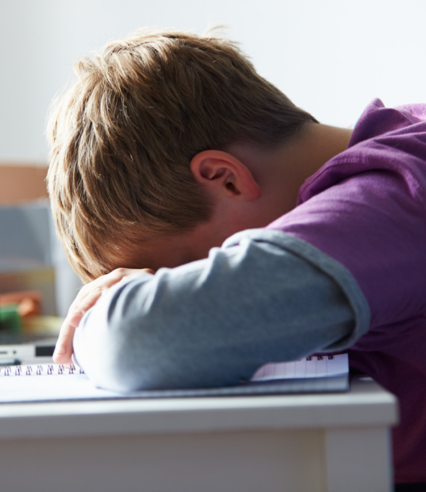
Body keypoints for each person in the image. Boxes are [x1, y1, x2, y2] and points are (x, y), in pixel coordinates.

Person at [46, 29, 426, 485]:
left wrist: (100, 315)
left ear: (225, 178)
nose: (189, 286)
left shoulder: (395, 196)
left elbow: (140, 342)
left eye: (184, 272)